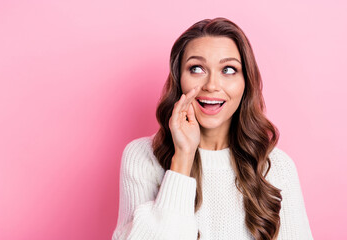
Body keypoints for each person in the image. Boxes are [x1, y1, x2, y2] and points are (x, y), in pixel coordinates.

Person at [112, 17, 313, 240]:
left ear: (246, 82)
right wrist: (183, 159)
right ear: (180, 80)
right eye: (197, 68)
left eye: (228, 70)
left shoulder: (276, 166)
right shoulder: (143, 157)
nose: (212, 86)